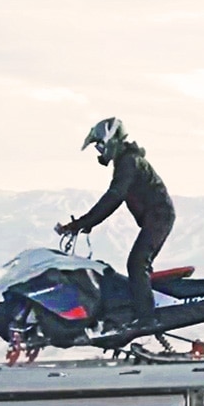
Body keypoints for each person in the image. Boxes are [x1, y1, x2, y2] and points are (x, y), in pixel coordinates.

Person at [57, 118, 175, 323]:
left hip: (159, 216)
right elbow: (114, 199)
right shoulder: (126, 160)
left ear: (111, 140)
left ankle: (146, 320)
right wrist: (86, 223)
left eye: (99, 145)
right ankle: (139, 311)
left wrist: (82, 223)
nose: (99, 150)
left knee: (137, 264)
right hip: (157, 216)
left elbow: (113, 197)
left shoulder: (129, 162)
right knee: (138, 264)